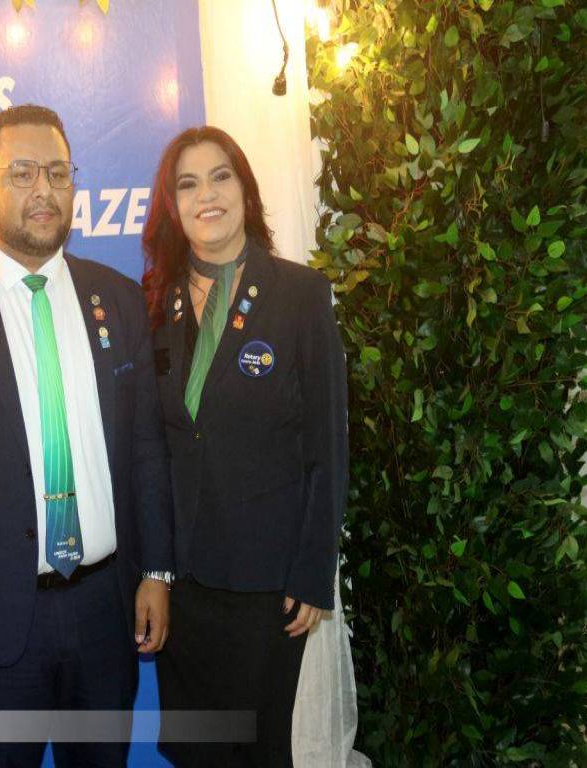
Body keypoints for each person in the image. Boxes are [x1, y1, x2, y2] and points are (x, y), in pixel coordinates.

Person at [0, 104, 174, 767]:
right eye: (21, 173)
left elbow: (145, 449)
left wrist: (157, 570)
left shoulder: (118, 299)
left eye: (57, 172)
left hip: (106, 613)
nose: (43, 190)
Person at [142, 126, 348, 767]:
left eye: (220, 176)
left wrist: (313, 571)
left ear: (245, 190)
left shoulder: (300, 294)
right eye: (188, 184)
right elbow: (155, 446)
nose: (206, 195)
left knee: (259, 751)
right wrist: (155, 571)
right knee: (196, 753)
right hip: (184, 585)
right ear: (173, 207)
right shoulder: (154, 305)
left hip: (268, 584)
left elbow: (328, 445)